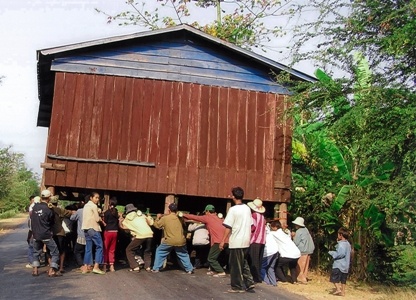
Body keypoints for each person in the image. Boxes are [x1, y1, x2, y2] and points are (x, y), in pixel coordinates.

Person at [220, 187, 255, 293]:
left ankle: (237, 286)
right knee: (243, 263)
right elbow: (251, 225)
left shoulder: (233, 210)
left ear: (233, 196)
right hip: (246, 240)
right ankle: (249, 282)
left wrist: (223, 240)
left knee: (235, 265)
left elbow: (228, 226)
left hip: (236, 241)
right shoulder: (247, 208)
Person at [183, 204, 229, 277]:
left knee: (211, 258)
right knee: (216, 256)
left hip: (218, 241)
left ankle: (221, 272)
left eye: (205, 212)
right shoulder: (220, 218)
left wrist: (184, 215)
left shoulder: (207, 217)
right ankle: (214, 270)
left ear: (207, 211)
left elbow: (196, 217)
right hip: (226, 240)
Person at [151, 203, 194, 274]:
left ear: (169, 210)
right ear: (176, 210)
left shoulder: (165, 218)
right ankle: (189, 269)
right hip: (181, 240)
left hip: (169, 240)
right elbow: (184, 224)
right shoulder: (180, 218)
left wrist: (158, 217)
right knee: (183, 254)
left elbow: (157, 225)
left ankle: (156, 268)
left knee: (160, 251)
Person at [30, 189, 61, 277]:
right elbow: (52, 222)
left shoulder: (35, 207)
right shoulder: (49, 209)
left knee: (36, 252)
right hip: (46, 234)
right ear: (49, 198)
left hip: (36, 234)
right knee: (55, 252)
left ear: (41, 197)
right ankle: (52, 270)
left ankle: (35, 270)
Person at [119, 203, 154, 272]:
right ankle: (148, 267)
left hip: (140, 235)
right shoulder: (142, 215)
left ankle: (135, 266)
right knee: (147, 251)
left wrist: (120, 221)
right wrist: (149, 216)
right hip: (150, 234)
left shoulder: (127, 219)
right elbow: (151, 223)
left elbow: (124, 228)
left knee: (129, 250)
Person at [81, 192, 105, 275]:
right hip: (93, 228)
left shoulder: (86, 206)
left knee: (88, 247)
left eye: (98, 198)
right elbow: (97, 219)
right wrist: (100, 215)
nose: (97, 199)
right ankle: (96, 266)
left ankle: (86, 267)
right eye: (96, 198)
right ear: (91, 198)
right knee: (99, 246)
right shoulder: (94, 206)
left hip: (86, 228)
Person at [49, 195, 75, 273]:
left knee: (50, 251)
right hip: (60, 232)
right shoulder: (59, 210)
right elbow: (70, 213)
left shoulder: (48, 210)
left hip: (50, 233)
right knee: (62, 250)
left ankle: (52, 267)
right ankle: (61, 267)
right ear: (57, 202)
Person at [247, 198, 266, 283]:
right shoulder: (262, 216)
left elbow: (253, 227)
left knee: (253, 260)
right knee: (259, 259)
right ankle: (258, 277)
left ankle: (255, 277)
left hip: (255, 240)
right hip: (262, 240)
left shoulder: (254, 215)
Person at [329, 227, 352, 296]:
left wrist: (332, 253)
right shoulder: (348, 244)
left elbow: (340, 253)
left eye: (338, 234)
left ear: (341, 235)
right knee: (343, 279)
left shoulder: (341, 244)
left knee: (334, 278)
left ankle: (338, 289)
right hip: (345, 266)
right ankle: (343, 291)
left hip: (339, 265)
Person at [292, 216, 315, 283]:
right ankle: (303, 277)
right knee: (305, 266)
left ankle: (301, 278)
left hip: (302, 250)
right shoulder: (306, 229)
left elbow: (296, 242)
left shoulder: (299, 231)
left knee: (300, 266)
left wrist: (293, 236)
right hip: (309, 249)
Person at [103, 197, 119, 272]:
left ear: (109, 204)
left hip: (108, 231)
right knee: (112, 249)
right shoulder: (116, 212)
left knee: (106, 248)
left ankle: (105, 265)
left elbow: (105, 222)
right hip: (115, 232)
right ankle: (112, 266)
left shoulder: (106, 212)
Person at [70, 200, 86, 269]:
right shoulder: (89, 211)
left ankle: (81, 265)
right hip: (89, 234)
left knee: (77, 251)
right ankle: (87, 264)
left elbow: (72, 218)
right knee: (87, 250)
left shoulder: (79, 211)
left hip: (81, 234)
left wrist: (74, 213)